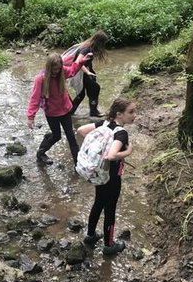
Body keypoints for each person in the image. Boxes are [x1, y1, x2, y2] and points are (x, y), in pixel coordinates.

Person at [76, 98, 136, 255]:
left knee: (98, 203)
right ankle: (109, 245)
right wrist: (128, 152)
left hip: (99, 174)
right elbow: (111, 155)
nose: (134, 115)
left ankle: (90, 235)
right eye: (130, 112)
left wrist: (95, 151)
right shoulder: (121, 133)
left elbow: (81, 130)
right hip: (111, 177)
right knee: (110, 208)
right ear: (119, 114)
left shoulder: (103, 124)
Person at [27, 52, 93, 165]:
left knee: (71, 137)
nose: (56, 72)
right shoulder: (41, 79)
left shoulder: (62, 72)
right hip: (51, 113)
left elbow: (72, 70)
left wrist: (82, 61)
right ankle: (41, 153)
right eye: (54, 69)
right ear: (49, 67)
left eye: (58, 69)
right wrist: (30, 117)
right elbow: (35, 98)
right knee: (56, 136)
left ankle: (78, 165)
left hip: (66, 111)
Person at [69, 30, 109, 118]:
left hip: (82, 72)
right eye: (103, 43)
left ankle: (70, 112)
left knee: (82, 94)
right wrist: (87, 72)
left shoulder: (88, 45)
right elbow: (77, 62)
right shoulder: (86, 49)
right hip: (80, 73)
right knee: (94, 88)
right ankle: (92, 111)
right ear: (99, 42)